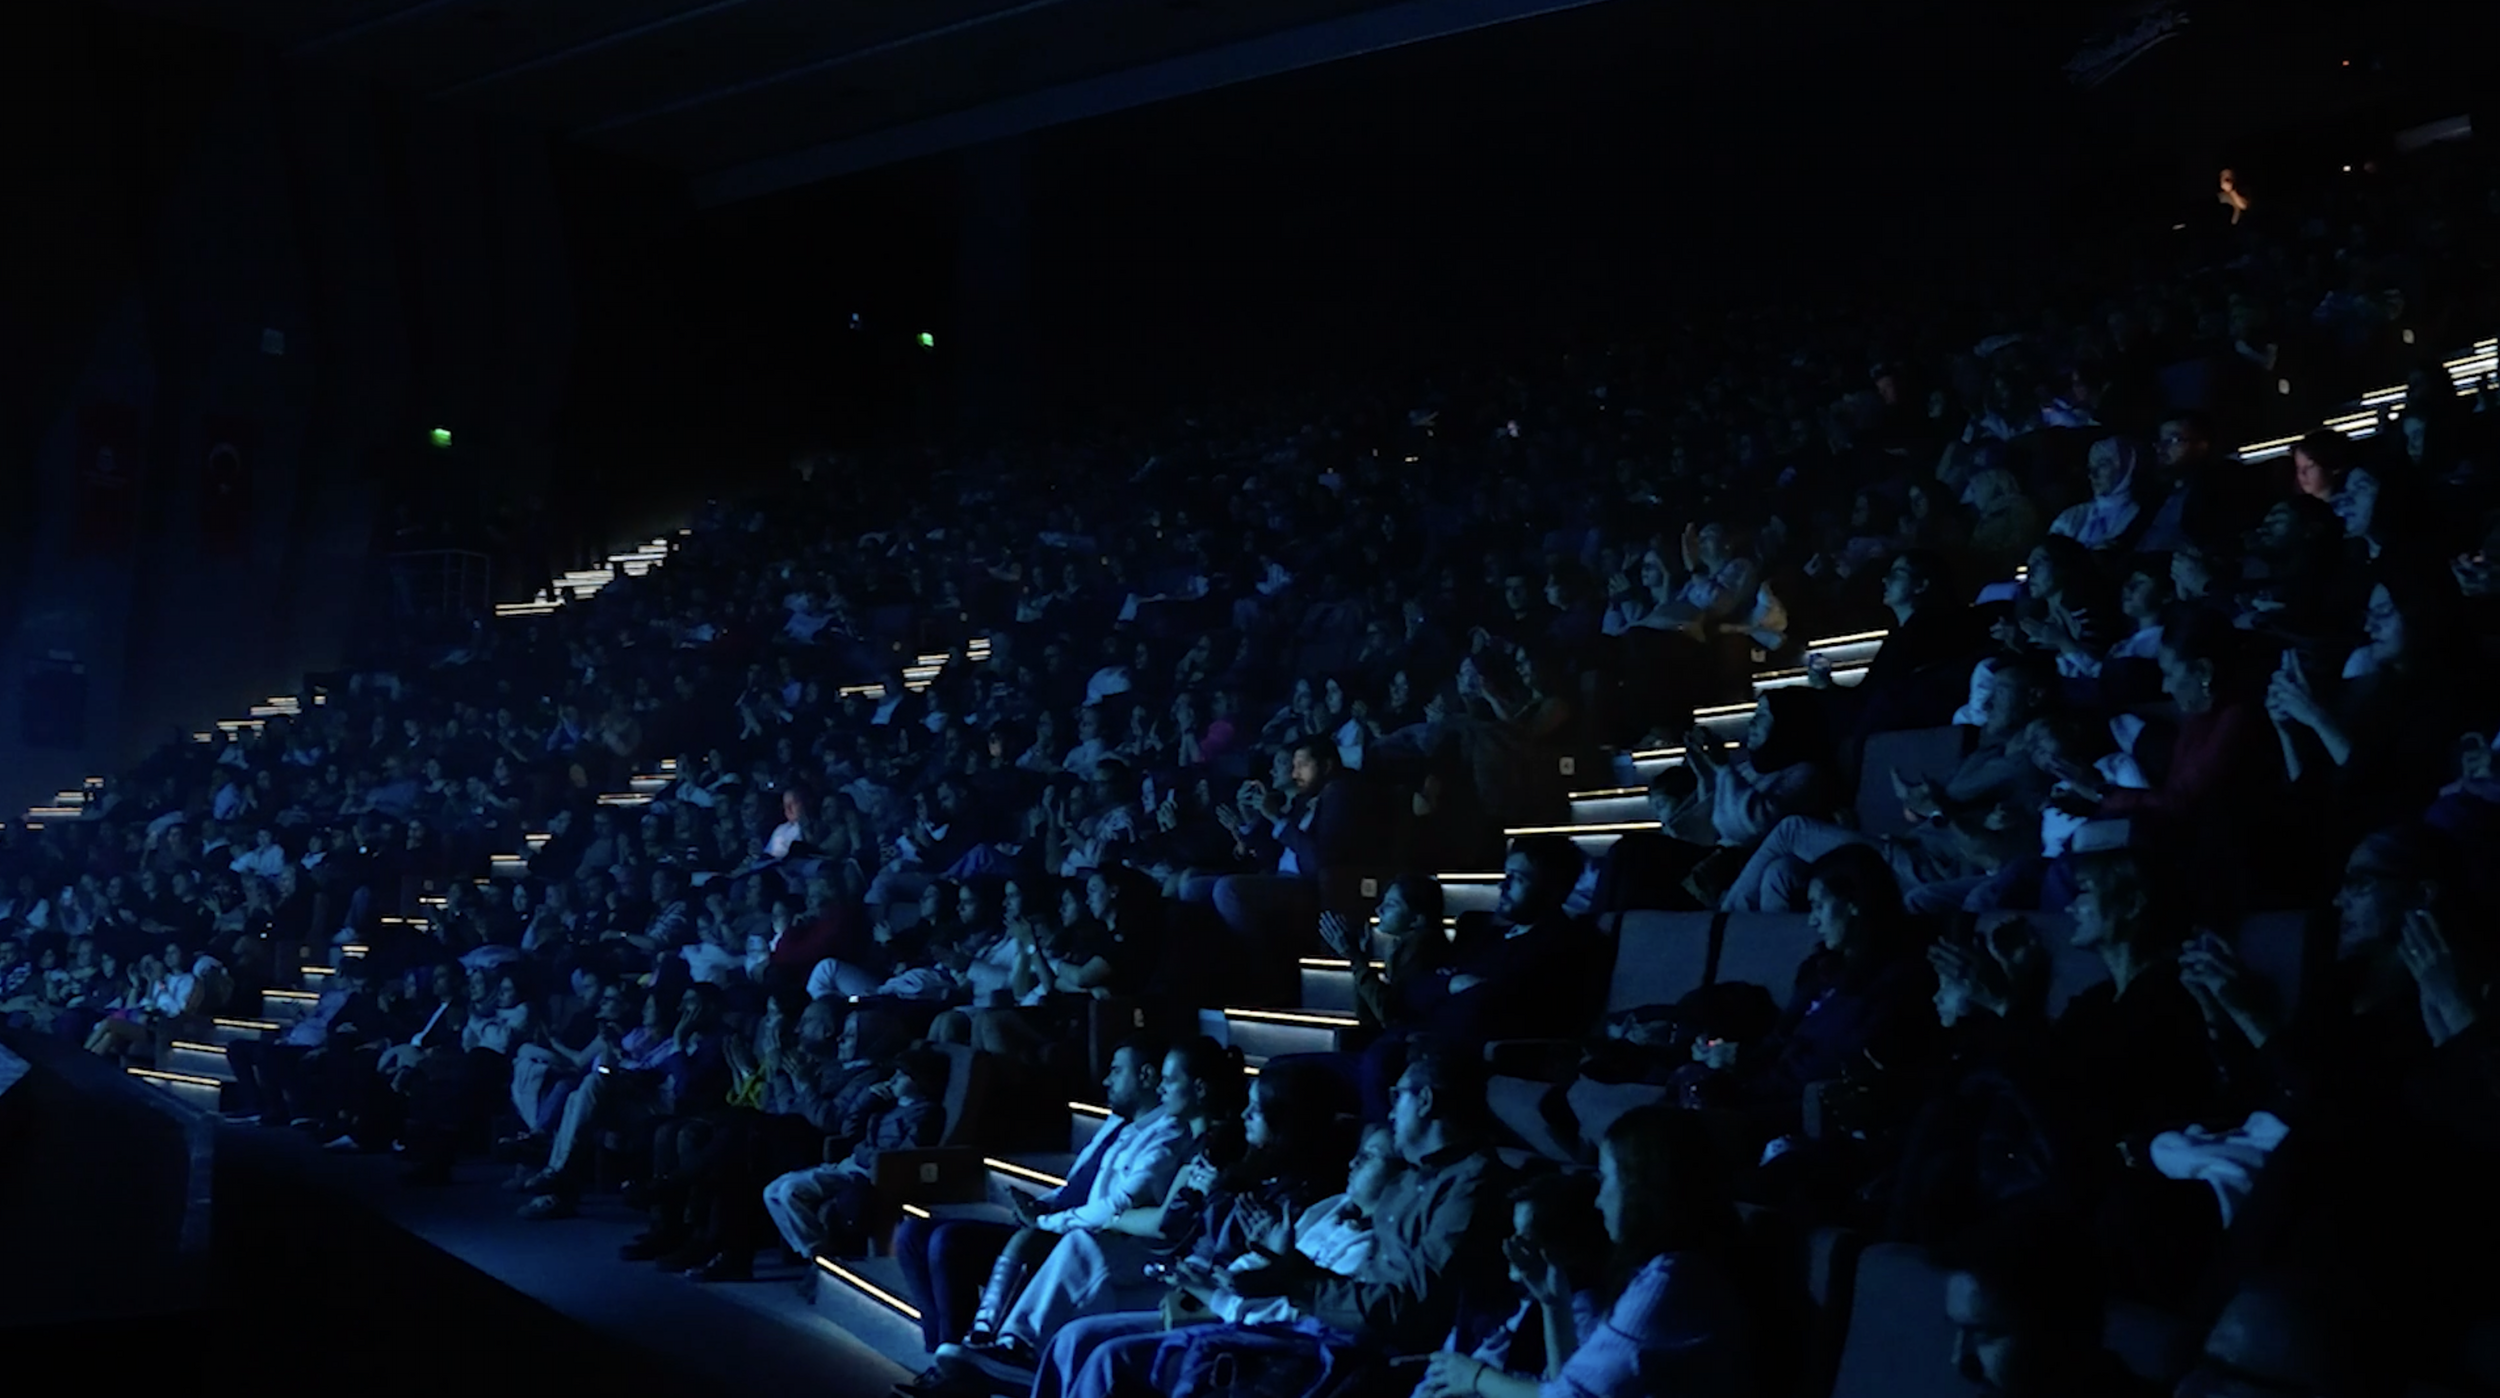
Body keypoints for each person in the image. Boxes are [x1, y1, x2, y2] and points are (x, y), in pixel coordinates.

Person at [934, 1036, 1247, 1387]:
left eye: (1170, 1080)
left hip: (1191, 1275)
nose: (1162, 1086)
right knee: (1074, 1244)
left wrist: (1114, 1219)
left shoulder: (1213, 1147)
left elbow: (1165, 1223)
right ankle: (1008, 1347)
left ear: (1200, 1089)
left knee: (1083, 1244)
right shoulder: (1192, 1140)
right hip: (1170, 1259)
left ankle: (1019, 1349)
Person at [893, 1035, 1185, 1374]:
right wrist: (1041, 1204)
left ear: (1146, 1077)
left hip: (1075, 1236)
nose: (1105, 1080)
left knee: (949, 1242)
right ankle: (941, 1353)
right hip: (1055, 1220)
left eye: (1116, 1071)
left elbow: (1117, 1205)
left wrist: (1047, 1222)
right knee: (913, 1234)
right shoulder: (1117, 1123)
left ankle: (965, 1357)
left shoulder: (1166, 1136)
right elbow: (1077, 1185)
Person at [1417, 1106, 1751, 1398]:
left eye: (1607, 1179)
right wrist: (1554, 1304)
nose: (1599, 1199)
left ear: (1641, 1187)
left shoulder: (1673, 1281)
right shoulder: (1668, 1273)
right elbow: (1573, 1381)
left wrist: (1475, 1377)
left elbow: (1569, 1396)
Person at [757, 1045, 950, 1263]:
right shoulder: (885, 1105)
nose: (894, 1079)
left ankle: (820, 1256)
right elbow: (850, 1131)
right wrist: (867, 1099)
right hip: (850, 1163)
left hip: (867, 1173)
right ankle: (813, 1251)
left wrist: (862, 1152)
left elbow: (901, 1157)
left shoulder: (924, 1113)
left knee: (790, 1191)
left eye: (902, 1075)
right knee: (771, 1192)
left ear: (919, 1082)